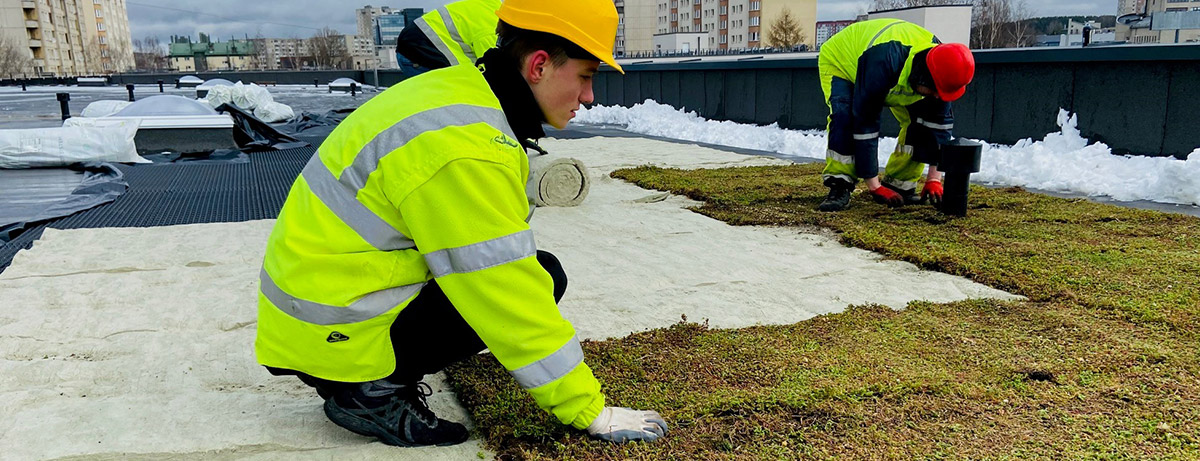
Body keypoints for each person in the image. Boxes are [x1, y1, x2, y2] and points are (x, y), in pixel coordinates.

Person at [254, 0, 668, 448]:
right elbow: (504, 292)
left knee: (540, 268)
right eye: (587, 76)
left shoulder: (459, 92)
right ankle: (367, 392)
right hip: (331, 326)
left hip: (316, 305)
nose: (589, 97)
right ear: (540, 65)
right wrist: (589, 410)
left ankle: (362, 370)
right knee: (528, 279)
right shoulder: (465, 146)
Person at [815, 19, 975, 212]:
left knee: (918, 125)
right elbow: (865, 122)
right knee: (845, 117)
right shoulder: (883, 61)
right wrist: (874, 187)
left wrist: (934, 179)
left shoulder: (943, 67)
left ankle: (900, 185)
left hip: (892, 72)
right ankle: (839, 185)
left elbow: (939, 125)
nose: (936, 97)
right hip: (843, 61)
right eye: (933, 91)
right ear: (922, 76)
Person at [395, 0, 501, 74]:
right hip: (419, 55)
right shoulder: (491, 25)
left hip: (414, 49)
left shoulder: (489, 7)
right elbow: (493, 69)